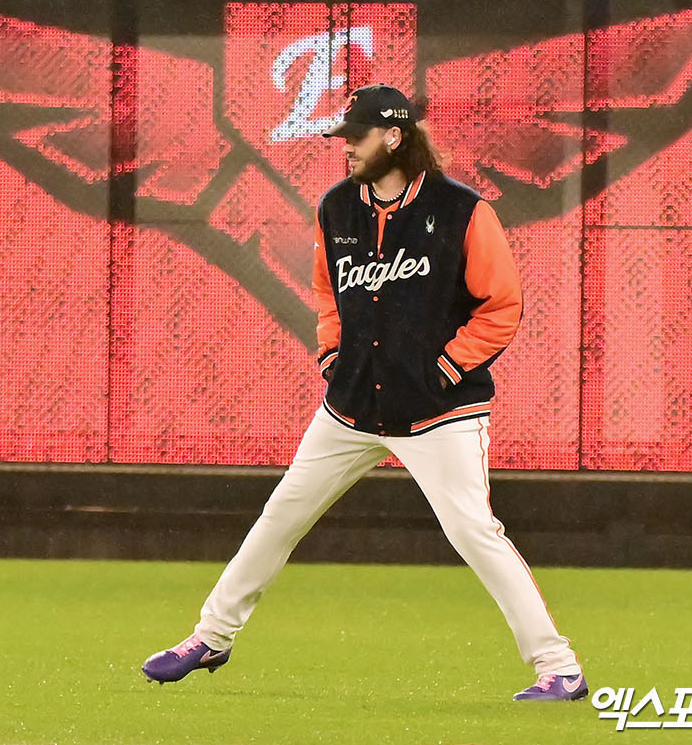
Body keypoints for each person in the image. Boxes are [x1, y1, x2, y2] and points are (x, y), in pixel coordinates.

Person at [141, 83, 587, 703]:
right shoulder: (337, 208)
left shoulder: (462, 210)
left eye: (357, 136)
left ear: (394, 137)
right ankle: (211, 637)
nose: (345, 147)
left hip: (438, 412)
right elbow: (327, 292)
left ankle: (559, 667)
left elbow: (501, 305)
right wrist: (332, 352)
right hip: (351, 407)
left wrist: (448, 367)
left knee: (474, 533)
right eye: (343, 136)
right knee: (279, 518)